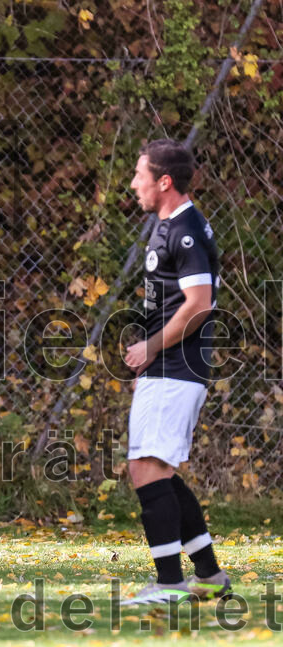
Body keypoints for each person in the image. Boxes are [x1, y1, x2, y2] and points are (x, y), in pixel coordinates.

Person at [121, 139, 229, 605]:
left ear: (163, 181)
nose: (133, 184)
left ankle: (168, 583)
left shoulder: (184, 231)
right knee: (155, 467)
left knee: (146, 468)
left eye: (140, 174)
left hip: (176, 366)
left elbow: (199, 305)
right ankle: (207, 574)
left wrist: (150, 347)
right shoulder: (171, 225)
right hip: (171, 367)